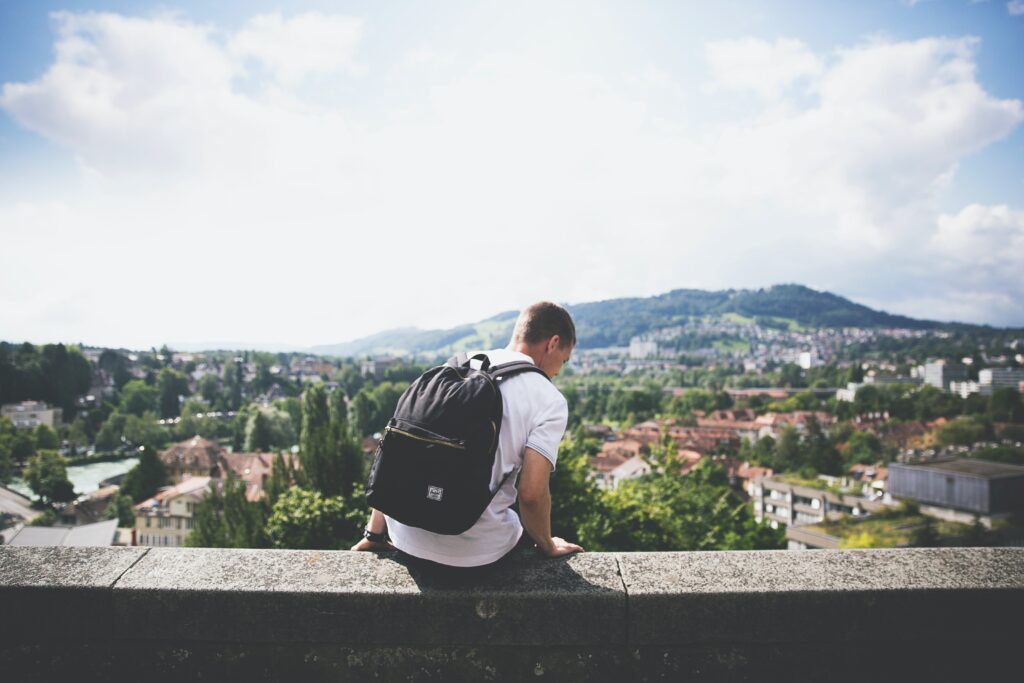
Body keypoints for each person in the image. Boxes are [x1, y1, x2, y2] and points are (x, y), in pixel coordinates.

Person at [351, 301, 584, 578]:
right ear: (553, 343)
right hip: (476, 554)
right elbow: (532, 495)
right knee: (515, 531)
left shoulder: (452, 366)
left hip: (404, 537)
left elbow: (401, 451)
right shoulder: (549, 399)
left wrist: (375, 534)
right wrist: (548, 545)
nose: (559, 370)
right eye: (564, 360)